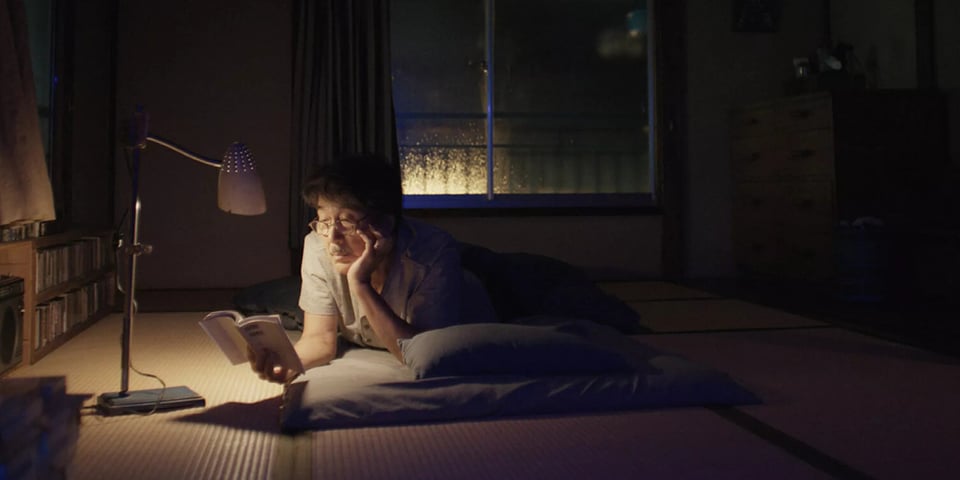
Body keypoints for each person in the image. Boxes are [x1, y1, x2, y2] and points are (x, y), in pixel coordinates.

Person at [249, 153, 494, 383]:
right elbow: (320, 339)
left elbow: (423, 356)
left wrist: (360, 284)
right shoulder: (317, 243)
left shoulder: (432, 253)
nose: (332, 237)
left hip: (479, 288)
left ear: (385, 224)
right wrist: (288, 363)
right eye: (324, 221)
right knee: (262, 297)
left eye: (346, 221)